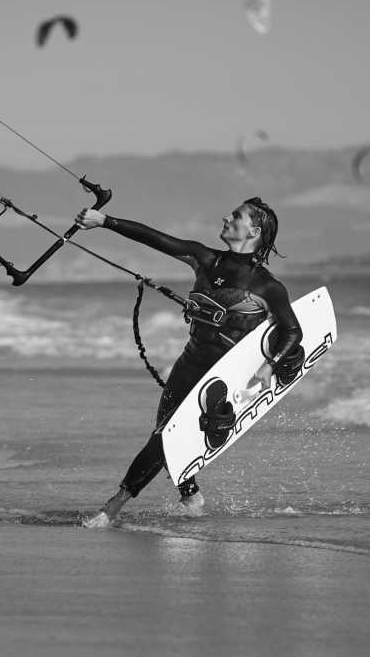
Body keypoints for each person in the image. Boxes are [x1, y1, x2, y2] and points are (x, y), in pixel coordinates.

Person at [74, 197, 305, 528]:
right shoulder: (204, 259)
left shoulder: (267, 286)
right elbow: (156, 239)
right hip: (188, 363)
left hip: (221, 377)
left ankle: (111, 508)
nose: (226, 217)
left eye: (236, 215)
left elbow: (293, 331)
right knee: (164, 434)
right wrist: (104, 221)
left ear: (253, 231)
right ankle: (190, 495)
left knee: (164, 438)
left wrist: (271, 365)